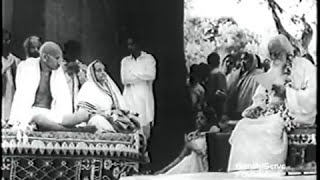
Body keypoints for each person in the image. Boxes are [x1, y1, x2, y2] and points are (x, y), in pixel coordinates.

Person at [227, 34, 317, 173]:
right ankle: (243, 172)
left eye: (277, 53)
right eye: (272, 54)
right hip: (269, 113)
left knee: (269, 129)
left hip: (293, 112)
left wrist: (286, 92)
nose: (274, 57)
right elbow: (260, 96)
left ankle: (266, 171)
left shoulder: (305, 66)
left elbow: (312, 96)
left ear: (287, 51)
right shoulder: (272, 70)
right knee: (243, 126)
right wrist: (256, 107)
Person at [8, 41, 90, 132]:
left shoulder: (57, 72)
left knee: (83, 115)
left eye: (61, 59)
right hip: (31, 114)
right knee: (39, 119)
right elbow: (22, 97)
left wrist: (67, 118)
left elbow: (63, 98)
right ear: (45, 57)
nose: (60, 63)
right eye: (57, 58)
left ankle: (66, 128)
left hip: (51, 114)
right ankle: (73, 131)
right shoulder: (27, 67)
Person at [60, 60, 140, 134]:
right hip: (96, 118)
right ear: (93, 73)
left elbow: (117, 107)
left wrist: (116, 113)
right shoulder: (88, 86)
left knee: (134, 120)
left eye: (104, 70)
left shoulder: (109, 88)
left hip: (113, 118)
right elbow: (84, 112)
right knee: (98, 121)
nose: (103, 73)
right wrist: (105, 114)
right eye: (99, 70)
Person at [155, 108, 219, 175]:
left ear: (208, 120)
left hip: (203, 169)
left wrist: (193, 146)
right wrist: (164, 170)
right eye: (197, 118)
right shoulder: (192, 136)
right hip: (188, 167)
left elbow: (206, 154)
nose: (198, 120)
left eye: (202, 118)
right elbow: (181, 157)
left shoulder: (213, 134)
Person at [121, 36, 156, 139]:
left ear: (139, 44)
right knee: (129, 130)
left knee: (144, 131)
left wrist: (133, 73)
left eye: (132, 44)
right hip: (129, 98)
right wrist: (142, 75)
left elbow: (151, 75)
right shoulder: (125, 61)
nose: (130, 47)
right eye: (128, 45)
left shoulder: (149, 59)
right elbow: (125, 79)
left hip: (144, 99)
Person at [223, 52, 262, 120]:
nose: (243, 62)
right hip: (233, 110)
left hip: (247, 111)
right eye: (242, 59)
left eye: (247, 60)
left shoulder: (258, 75)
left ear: (253, 62)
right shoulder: (235, 75)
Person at [2, 29, 21, 125]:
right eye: (3, 40)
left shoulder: (14, 59)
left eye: (7, 40)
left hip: (10, 90)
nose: (5, 43)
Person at [205, 52, 227, 121]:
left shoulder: (208, 73)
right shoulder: (219, 73)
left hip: (209, 104)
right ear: (218, 62)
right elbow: (221, 92)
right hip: (217, 105)